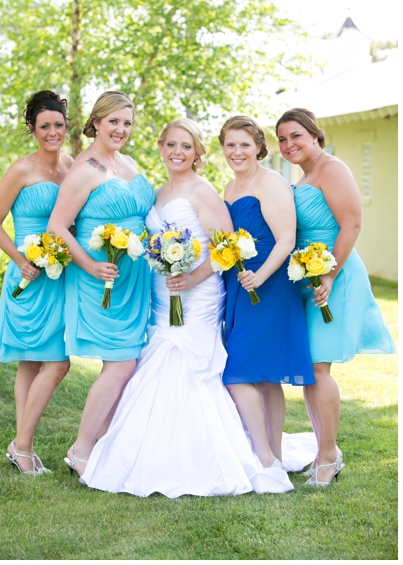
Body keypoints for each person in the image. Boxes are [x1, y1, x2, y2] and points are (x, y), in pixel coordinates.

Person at [81, 118, 293, 496]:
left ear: (197, 153)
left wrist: (192, 278)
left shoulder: (203, 191)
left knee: (194, 363)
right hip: (163, 294)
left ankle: (229, 456)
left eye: (186, 146)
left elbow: (225, 248)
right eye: (171, 145)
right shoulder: (157, 193)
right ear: (161, 148)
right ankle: (146, 450)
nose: (177, 152)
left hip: (199, 295)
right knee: (158, 356)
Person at [277, 107, 395, 486]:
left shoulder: (332, 169)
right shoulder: (305, 175)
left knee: (317, 367)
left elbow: (352, 224)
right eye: (281, 138)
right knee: (312, 367)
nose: (288, 144)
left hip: (335, 276)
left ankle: (328, 456)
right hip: (309, 277)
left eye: (295, 135)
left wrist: (329, 274)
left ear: (315, 134)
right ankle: (326, 450)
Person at [47, 90, 155, 479]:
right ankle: (81, 450)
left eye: (127, 123)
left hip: (135, 278)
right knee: (121, 362)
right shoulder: (86, 168)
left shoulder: (129, 163)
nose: (121, 129)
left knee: (127, 362)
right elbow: (57, 226)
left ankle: (105, 445)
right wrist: (91, 265)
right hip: (100, 277)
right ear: (96, 122)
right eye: (113, 122)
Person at [0, 90, 73, 475]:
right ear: (33, 130)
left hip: (61, 276)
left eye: (58, 125)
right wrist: (21, 260)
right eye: (44, 126)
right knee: (49, 363)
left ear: (66, 128)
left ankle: (22, 447)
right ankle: (22, 446)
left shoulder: (71, 166)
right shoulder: (21, 170)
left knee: (36, 362)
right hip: (29, 276)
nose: (52, 132)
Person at [219, 115, 314, 467]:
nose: (237, 152)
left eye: (245, 145)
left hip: (267, 286)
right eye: (230, 145)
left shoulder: (271, 181)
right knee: (261, 375)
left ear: (259, 147)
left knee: (248, 372)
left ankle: (268, 455)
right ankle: (269, 454)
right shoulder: (229, 188)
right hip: (239, 283)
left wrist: (259, 276)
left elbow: (286, 239)